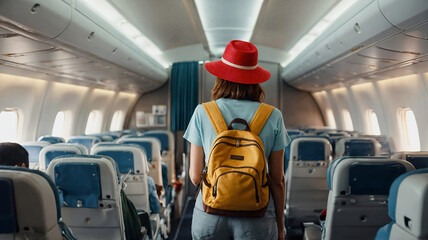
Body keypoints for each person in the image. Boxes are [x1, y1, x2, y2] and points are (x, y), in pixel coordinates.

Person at [184, 40, 290, 240]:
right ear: (255, 79)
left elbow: (196, 176)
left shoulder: (202, 111)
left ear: (221, 77)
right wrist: (280, 226)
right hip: (258, 214)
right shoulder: (273, 115)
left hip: (209, 212)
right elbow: (277, 179)